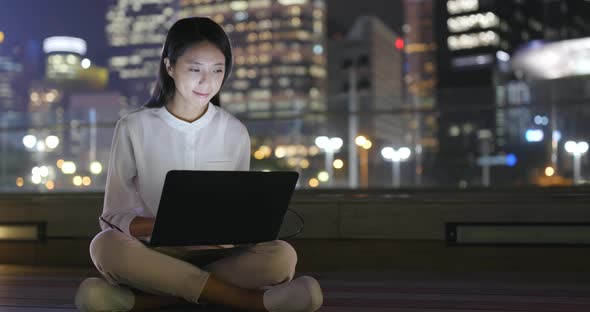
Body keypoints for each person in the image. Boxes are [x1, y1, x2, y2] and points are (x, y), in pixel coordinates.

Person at [75, 17, 323, 312]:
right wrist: (164, 224)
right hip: (152, 252)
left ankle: (146, 301)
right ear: (169, 66)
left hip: (218, 255)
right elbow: (112, 216)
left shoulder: (234, 131)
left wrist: (243, 226)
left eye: (217, 70)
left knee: (282, 256)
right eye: (195, 70)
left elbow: (236, 209)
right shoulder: (134, 127)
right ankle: (250, 302)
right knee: (104, 246)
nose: (207, 82)